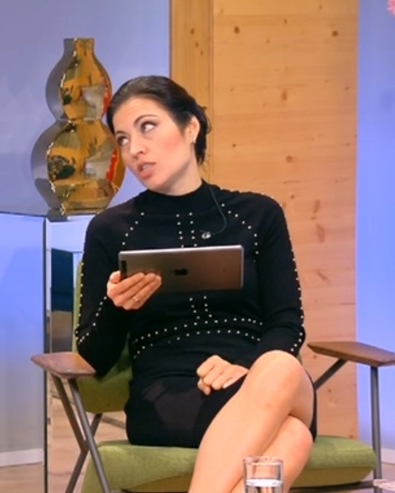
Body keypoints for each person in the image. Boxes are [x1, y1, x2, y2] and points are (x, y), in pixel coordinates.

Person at [75, 75, 316, 493]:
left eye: (148, 127)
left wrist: (248, 365)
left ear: (190, 127)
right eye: (123, 139)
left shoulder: (258, 215)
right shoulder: (110, 229)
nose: (135, 149)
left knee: (280, 366)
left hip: (259, 376)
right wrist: (118, 307)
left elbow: (287, 323)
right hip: (168, 394)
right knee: (293, 436)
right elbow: (93, 358)